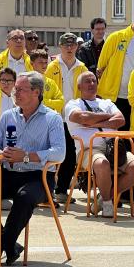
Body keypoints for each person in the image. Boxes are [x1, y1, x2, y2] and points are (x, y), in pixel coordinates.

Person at [0, 71, 65, 266]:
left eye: (20, 89)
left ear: (36, 92)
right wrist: (1, 152)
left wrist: (26, 156)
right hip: (6, 173)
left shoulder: (52, 118)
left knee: (24, 197)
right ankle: (5, 246)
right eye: (15, 89)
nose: (15, 93)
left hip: (38, 177)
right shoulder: (8, 116)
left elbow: (59, 153)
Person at [65, 71, 134, 217]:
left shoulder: (106, 103)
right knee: (102, 164)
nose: (92, 84)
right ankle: (107, 203)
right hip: (89, 149)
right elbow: (81, 117)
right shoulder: (74, 104)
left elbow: (121, 120)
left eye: (94, 81)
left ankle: (103, 199)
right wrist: (108, 117)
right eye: (87, 81)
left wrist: (93, 121)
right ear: (79, 86)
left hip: (114, 146)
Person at [45, 33, 88, 204]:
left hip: (73, 118)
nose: (69, 48)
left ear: (77, 47)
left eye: (72, 45)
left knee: (70, 154)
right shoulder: (52, 66)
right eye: (66, 45)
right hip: (55, 116)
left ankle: (62, 189)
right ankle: (47, 188)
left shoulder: (82, 68)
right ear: (60, 46)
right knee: (52, 153)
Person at [96, 5, 134, 130]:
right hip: (113, 98)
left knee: (131, 135)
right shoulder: (116, 37)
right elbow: (100, 68)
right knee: (112, 137)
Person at [29, 49, 64, 114]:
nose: (44, 65)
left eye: (45, 62)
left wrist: (43, 102)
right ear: (32, 63)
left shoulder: (50, 82)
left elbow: (61, 102)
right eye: (41, 62)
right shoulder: (24, 80)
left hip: (47, 120)